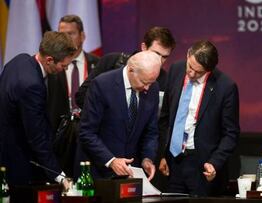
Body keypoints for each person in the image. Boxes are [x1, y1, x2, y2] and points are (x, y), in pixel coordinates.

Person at [158, 40, 240, 196]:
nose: (191, 74)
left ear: (209, 70)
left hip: (202, 166)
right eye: (190, 67)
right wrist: (164, 153)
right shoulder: (176, 70)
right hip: (174, 163)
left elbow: (231, 133)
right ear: (188, 55)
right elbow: (165, 117)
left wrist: (214, 163)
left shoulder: (226, 87)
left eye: (199, 72)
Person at [0, 31, 77, 186]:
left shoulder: (20, 60)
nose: (65, 70)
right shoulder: (32, 85)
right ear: (49, 60)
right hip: (17, 161)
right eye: (64, 65)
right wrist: (58, 175)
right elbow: (36, 136)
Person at [75, 51, 162, 180]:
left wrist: (147, 158)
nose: (147, 88)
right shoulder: (102, 84)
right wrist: (111, 160)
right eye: (144, 82)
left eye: (151, 82)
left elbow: (151, 131)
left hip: (130, 174)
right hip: (98, 171)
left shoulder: (153, 88)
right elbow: (87, 132)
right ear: (131, 70)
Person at [75, 26, 176, 108]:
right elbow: (82, 96)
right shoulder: (110, 62)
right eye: (156, 53)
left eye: (165, 57)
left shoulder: (164, 80)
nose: (159, 60)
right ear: (144, 47)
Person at [47, 15, 99, 133]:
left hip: (90, 131)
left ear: (82, 36)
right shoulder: (50, 65)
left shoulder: (98, 64)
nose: (65, 38)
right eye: (61, 34)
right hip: (58, 133)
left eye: (70, 33)